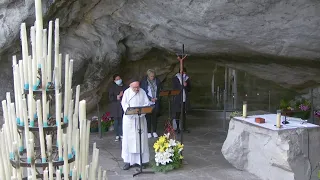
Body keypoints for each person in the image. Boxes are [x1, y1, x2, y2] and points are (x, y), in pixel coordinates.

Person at [121, 78, 150, 170]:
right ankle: (128, 161)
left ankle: (141, 161)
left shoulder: (142, 92)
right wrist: (132, 115)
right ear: (130, 86)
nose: (137, 89)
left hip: (140, 119)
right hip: (129, 120)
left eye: (138, 87)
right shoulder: (126, 93)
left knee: (141, 140)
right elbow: (124, 105)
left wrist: (140, 114)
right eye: (135, 87)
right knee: (128, 141)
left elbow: (147, 104)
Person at [140, 69, 161, 139]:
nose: (152, 77)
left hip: (155, 101)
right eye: (151, 76)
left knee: (155, 117)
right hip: (148, 102)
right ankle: (148, 132)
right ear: (148, 76)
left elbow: (159, 90)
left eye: (153, 76)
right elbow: (143, 92)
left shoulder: (157, 81)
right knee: (148, 117)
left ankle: (154, 131)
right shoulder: (144, 82)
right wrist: (150, 98)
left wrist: (157, 97)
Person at [108, 74, 128, 142]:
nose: (119, 80)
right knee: (116, 121)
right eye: (117, 79)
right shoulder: (112, 87)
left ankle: (122, 134)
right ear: (114, 81)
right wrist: (118, 96)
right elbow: (110, 97)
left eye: (119, 78)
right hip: (116, 106)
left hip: (123, 106)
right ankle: (117, 135)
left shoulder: (125, 86)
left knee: (123, 121)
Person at [172, 67, 191, 133]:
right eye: (181, 72)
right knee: (177, 113)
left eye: (183, 72)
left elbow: (189, 89)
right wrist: (183, 85)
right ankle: (177, 128)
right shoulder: (175, 78)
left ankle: (183, 128)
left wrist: (186, 86)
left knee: (184, 114)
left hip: (184, 98)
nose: (182, 73)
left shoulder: (187, 79)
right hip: (178, 98)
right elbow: (175, 87)